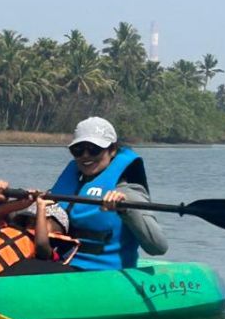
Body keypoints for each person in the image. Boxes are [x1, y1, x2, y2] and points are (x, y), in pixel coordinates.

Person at [47, 116, 168, 270]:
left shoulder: (127, 191)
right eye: (78, 150)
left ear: (112, 150)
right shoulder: (69, 185)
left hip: (102, 272)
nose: (85, 155)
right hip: (61, 263)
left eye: (94, 149)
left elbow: (158, 247)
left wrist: (126, 209)